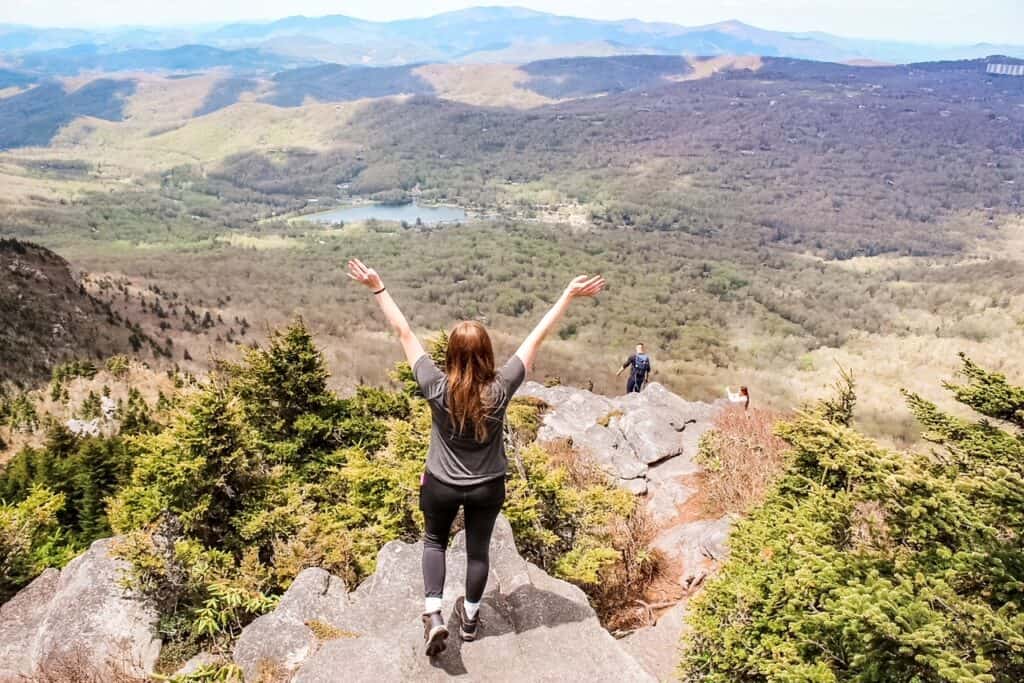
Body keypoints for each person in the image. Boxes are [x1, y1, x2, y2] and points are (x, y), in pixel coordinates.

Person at [347, 259, 605, 657]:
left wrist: (378, 288)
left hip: (440, 484)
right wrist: (567, 296)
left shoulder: (435, 386)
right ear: (487, 354)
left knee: (434, 541)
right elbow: (536, 338)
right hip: (488, 487)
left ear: (449, 354)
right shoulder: (501, 389)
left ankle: (433, 613)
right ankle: (469, 620)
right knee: (478, 550)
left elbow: (403, 331)